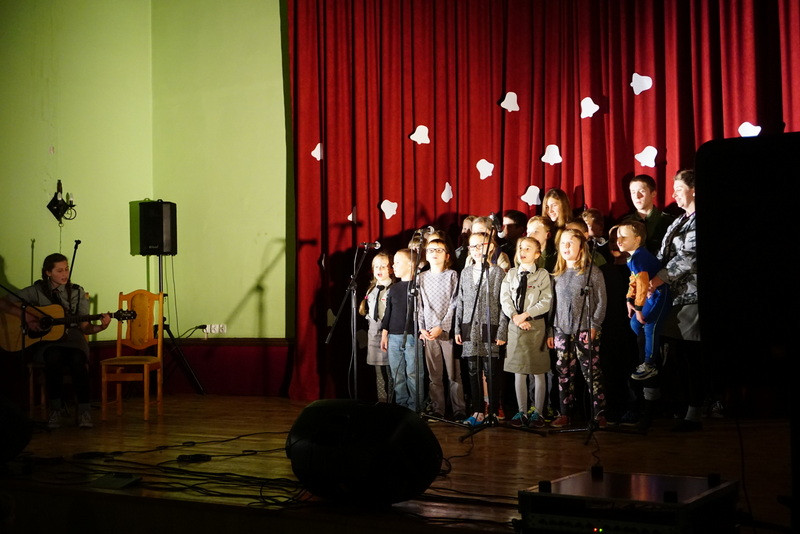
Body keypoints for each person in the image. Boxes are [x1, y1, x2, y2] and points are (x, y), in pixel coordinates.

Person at [0, 253, 111, 429]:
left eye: (66, 269)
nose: (65, 273)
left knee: (77, 360)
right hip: (49, 341)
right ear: (48, 272)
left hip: (73, 338)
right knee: (53, 356)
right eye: (59, 270)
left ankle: (84, 411)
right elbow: (3, 304)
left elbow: (85, 327)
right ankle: (56, 410)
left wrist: (102, 327)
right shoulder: (35, 291)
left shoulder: (77, 292)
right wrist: (28, 317)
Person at [648, 170, 702, 431]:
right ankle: (678, 407)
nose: (674, 194)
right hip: (672, 297)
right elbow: (663, 253)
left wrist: (659, 278)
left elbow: (690, 257)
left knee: (691, 354)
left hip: (692, 297)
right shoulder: (678, 221)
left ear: (693, 189)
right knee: (675, 354)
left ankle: (694, 411)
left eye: (679, 188)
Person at [547, 229, 608, 428]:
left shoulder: (592, 272)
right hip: (561, 329)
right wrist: (551, 331)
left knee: (591, 371)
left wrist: (594, 324)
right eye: (563, 243)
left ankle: (599, 414)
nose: (566, 247)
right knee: (564, 372)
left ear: (581, 247)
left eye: (570, 243)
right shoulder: (556, 275)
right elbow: (552, 306)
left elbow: (601, 301)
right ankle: (565, 413)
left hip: (585, 329)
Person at [454, 232, 508, 426]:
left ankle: (492, 411)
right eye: (473, 246)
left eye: (480, 245)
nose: (476, 250)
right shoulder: (466, 273)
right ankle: (477, 410)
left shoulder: (498, 272)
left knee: (491, 370)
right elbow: (459, 301)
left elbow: (503, 305)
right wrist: (457, 328)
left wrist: (501, 331)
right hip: (470, 328)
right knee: (472, 370)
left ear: (490, 247)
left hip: (490, 327)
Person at [501, 237, 552, 428]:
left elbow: (546, 301)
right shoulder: (512, 274)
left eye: (528, 248)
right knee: (519, 371)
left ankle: (537, 412)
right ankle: (521, 411)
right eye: (521, 247)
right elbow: (505, 298)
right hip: (516, 326)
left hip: (535, 326)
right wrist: (515, 317)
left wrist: (527, 315)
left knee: (538, 372)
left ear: (537, 254)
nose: (523, 251)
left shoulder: (542, 274)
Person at [616, 221, 671, 382]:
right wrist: (628, 299)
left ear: (637, 240)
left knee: (650, 326)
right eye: (618, 236)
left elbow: (642, 284)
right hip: (649, 296)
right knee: (634, 324)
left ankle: (650, 363)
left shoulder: (640, 257)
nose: (619, 240)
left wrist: (639, 308)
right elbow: (633, 280)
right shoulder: (633, 258)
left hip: (660, 295)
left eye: (624, 237)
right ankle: (651, 349)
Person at [417, 238, 465, 420]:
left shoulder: (452, 275)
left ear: (447, 256)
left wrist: (442, 327)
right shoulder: (421, 277)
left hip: (447, 332)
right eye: (430, 250)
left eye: (439, 250)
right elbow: (419, 306)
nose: (434, 253)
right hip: (429, 333)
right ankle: (438, 409)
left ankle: (459, 409)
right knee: (434, 375)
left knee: (454, 374)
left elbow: (455, 303)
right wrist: (422, 328)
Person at [380, 249, 421, 411]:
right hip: (394, 337)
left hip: (411, 335)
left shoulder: (418, 286)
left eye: (397, 262)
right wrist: (385, 334)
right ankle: (401, 406)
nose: (393, 266)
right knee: (397, 375)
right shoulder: (394, 288)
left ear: (411, 264)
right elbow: (388, 312)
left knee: (413, 373)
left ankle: (415, 406)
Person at [358, 251, 395, 402]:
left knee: (390, 371)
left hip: (389, 334)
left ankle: (392, 401)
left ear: (391, 269)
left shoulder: (393, 289)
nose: (379, 270)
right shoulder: (371, 289)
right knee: (378, 370)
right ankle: (382, 399)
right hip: (373, 334)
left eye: (383, 267)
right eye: (376, 267)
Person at [623, 174, 674, 255]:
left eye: (642, 191)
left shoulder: (668, 221)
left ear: (653, 193)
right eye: (633, 192)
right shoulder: (625, 223)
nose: (637, 196)